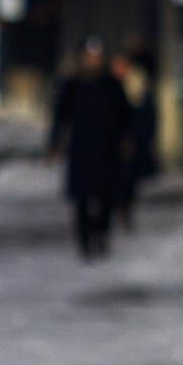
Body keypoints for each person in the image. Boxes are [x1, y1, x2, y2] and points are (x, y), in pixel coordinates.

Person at [50, 37, 133, 260]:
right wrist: (54, 144)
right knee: (82, 199)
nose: (93, 61)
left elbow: (125, 114)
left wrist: (126, 139)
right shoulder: (73, 85)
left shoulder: (112, 85)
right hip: (81, 150)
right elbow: (60, 117)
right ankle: (85, 241)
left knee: (106, 196)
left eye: (96, 57)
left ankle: (102, 235)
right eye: (89, 56)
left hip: (107, 149)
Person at [114, 40, 160, 230]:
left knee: (128, 180)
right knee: (121, 179)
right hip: (119, 140)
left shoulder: (138, 85)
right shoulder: (114, 86)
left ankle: (124, 210)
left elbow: (146, 114)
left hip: (134, 138)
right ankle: (121, 210)